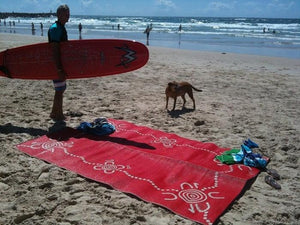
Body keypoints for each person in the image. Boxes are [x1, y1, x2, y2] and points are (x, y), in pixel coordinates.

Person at [48, 4, 70, 121]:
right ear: (59, 14)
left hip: (60, 64)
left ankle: (53, 112)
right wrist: (59, 69)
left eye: (68, 13)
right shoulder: (56, 28)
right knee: (59, 89)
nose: (68, 16)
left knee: (60, 88)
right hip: (56, 64)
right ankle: (59, 114)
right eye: (65, 14)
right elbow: (55, 50)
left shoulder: (60, 27)